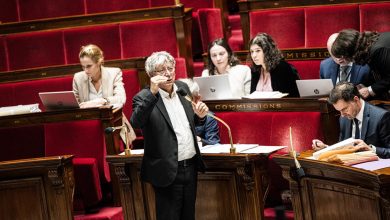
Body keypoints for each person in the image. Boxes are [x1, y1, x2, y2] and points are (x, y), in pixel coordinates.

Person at [130, 51, 208, 220]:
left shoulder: (183, 88)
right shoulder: (143, 97)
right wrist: (152, 92)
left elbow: (190, 123)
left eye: (170, 68)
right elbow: (136, 122)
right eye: (161, 70)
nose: (167, 73)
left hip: (190, 166)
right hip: (167, 170)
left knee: (189, 216)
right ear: (151, 75)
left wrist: (200, 118)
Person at [73, 44, 135, 146]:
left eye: (89, 66)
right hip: (88, 128)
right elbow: (76, 105)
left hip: (113, 126)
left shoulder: (114, 73)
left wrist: (101, 101)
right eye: (83, 66)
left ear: (99, 62)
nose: (85, 70)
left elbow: (121, 99)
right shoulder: (78, 78)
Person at [312, 82, 390, 159]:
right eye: (339, 111)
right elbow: (343, 147)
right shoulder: (343, 119)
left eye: (344, 109)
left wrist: (372, 149)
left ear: (356, 100)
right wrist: (325, 148)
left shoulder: (381, 117)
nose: (342, 115)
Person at [331, 29, 390, 100]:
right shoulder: (372, 44)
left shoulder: (377, 51)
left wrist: (369, 90)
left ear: (350, 52)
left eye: (343, 57)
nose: (342, 60)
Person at [249, 33, 300, 97]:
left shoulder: (283, 68)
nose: (254, 55)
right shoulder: (255, 71)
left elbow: (292, 97)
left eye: (258, 51)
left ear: (267, 51)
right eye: (252, 51)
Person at [179, 78, 220, 146]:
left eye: (185, 100)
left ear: (198, 98)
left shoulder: (209, 117)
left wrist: (200, 140)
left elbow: (215, 144)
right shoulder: (172, 114)